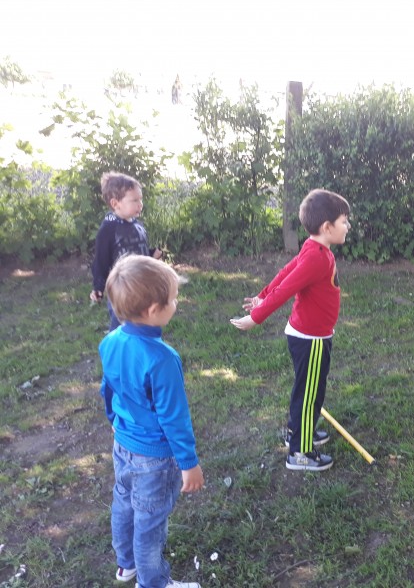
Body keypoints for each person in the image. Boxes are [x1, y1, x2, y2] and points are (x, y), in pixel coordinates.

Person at [99, 254, 203, 588]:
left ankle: (126, 564)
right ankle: (153, 582)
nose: (176, 303)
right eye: (173, 299)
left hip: (122, 444)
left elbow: (107, 387)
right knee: (150, 524)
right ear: (154, 310)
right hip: (154, 459)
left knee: (124, 503)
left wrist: (113, 418)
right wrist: (188, 463)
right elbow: (174, 418)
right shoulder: (162, 360)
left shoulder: (109, 341)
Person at [230, 188, 351, 472]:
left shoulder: (315, 249)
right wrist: (256, 316)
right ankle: (300, 453)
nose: (348, 226)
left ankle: (298, 432)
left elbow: (286, 273)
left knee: (306, 391)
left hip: (309, 335)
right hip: (312, 339)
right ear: (327, 227)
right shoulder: (317, 257)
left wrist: (262, 296)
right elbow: (287, 287)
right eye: (344, 221)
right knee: (310, 395)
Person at [90, 172, 162, 331]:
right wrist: (98, 287)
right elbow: (101, 260)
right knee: (122, 327)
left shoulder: (138, 225)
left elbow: (137, 253)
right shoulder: (109, 229)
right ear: (115, 203)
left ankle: (141, 346)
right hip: (121, 289)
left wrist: (152, 255)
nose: (140, 204)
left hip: (141, 285)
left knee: (144, 322)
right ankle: (117, 346)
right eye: (134, 200)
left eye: (140, 199)